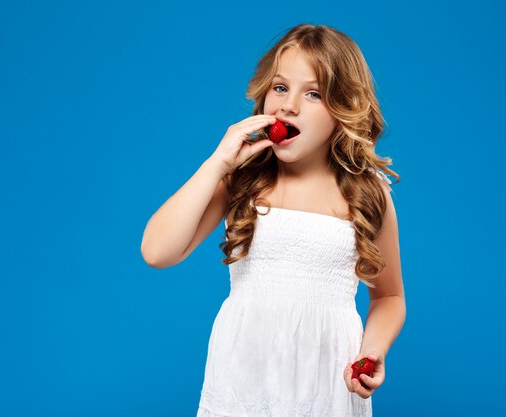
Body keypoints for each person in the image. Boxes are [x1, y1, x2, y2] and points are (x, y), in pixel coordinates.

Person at [141, 23, 406, 417]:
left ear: (343, 109)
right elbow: (157, 251)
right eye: (280, 88)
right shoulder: (241, 181)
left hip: (327, 389)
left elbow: (389, 296)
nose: (288, 106)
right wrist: (217, 164)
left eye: (313, 93)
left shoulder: (368, 193)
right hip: (243, 383)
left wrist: (372, 350)